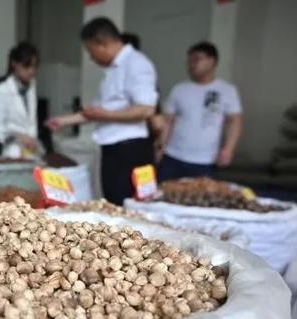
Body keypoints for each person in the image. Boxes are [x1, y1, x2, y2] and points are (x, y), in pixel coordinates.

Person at [46, 17, 158, 205]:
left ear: (102, 44)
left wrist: (104, 114)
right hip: (113, 148)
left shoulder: (136, 64)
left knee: (128, 205)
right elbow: (97, 112)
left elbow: (146, 109)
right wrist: (63, 121)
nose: (91, 58)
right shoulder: (113, 70)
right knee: (113, 201)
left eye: (90, 51)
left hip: (130, 149)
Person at [157, 41, 243, 181]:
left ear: (212, 61)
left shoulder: (227, 90)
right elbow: (167, 122)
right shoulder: (179, 89)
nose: (191, 65)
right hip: (173, 156)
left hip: (205, 161)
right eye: (189, 61)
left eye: (197, 60)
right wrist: (160, 148)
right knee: (164, 191)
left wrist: (228, 149)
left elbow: (235, 122)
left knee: (199, 194)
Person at [0, 42, 40, 156]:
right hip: (13, 151)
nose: (31, 71)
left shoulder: (32, 86)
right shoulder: (3, 89)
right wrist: (18, 137)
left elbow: (30, 120)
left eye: (34, 66)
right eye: (26, 66)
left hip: (32, 150)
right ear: (14, 64)